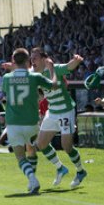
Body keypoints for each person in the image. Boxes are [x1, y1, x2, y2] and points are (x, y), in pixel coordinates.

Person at [1, 48, 57, 194]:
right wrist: (52, 70)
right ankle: (33, 180)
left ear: (13, 61)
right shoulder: (34, 77)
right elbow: (54, 85)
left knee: (20, 157)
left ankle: (32, 179)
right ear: (28, 61)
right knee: (32, 150)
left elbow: (7, 94)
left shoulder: (7, 78)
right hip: (32, 123)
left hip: (14, 123)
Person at [32, 47, 87, 188]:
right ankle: (60, 168)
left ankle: (80, 171)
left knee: (67, 146)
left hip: (65, 111)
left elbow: (69, 66)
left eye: (35, 58)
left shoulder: (55, 68)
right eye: (31, 59)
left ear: (44, 59)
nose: (32, 61)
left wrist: (76, 60)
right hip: (52, 111)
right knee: (41, 144)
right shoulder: (34, 74)